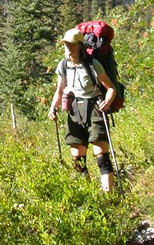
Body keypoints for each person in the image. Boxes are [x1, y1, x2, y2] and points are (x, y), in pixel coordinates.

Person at [48, 28, 116, 191]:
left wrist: (107, 101)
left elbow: (111, 88)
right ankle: (88, 196)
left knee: (102, 158)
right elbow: (59, 90)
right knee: (78, 160)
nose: (68, 48)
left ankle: (110, 197)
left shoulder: (93, 64)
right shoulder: (63, 65)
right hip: (74, 111)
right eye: (65, 44)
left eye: (71, 45)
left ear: (79, 45)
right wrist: (53, 108)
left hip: (94, 108)